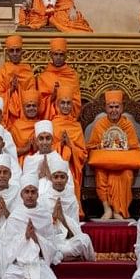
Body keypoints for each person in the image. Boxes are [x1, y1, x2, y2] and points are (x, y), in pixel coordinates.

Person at [86, 90, 140, 219]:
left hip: (122, 163)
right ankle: (107, 209)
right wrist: (102, 145)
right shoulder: (100, 124)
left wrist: (124, 146)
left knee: (127, 175)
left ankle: (119, 210)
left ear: (122, 108)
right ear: (106, 108)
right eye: (111, 107)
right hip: (104, 162)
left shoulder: (127, 125)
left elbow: (135, 147)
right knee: (100, 173)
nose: (114, 110)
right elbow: (91, 145)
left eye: (116, 107)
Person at [1, 175, 60, 279]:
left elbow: (52, 245)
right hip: (19, 264)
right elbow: (7, 246)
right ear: (21, 195)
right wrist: (25, 237)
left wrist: (36, 238)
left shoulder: (44, 215)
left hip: (38, 262)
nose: (30, 195)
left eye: (33, 192)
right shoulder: (15, 216)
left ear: (38, 194)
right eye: (26, 192)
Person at [40, 157, 95, 262]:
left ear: (67, 179)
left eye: (62, 177)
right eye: (56, 177)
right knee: (45, 247)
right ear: (51, 178)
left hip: (68, 242)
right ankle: (68, 256)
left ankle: (61, 256)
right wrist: (53, 219)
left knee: (84, 239)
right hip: (52, 242)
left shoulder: (71, 199)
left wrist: (63, 219)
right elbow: (41, 229)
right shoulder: (43, 199)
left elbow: (75, 230)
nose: (59, 180)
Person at [51, 86, 88, 215]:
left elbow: (83, 154)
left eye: (68, 103)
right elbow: (47, 149)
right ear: (57, 104)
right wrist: (60, 144)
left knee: (71, 178)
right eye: (63, 103)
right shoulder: (52, 124)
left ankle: (73, 213)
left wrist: (70, 145)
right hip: (54, 166)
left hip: (72, 166)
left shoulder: (76, 126)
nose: (66, 106)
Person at [22, 120, 74, 197]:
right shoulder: (29, 160)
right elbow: (23, 188)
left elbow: (69, 188)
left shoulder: (59, 160)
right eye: (41, 139)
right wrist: (39, 176)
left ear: (52, 140)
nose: (45, 142)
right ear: (36, 141)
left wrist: (51, 177)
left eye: (48, 138)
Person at [0, 34, 35, 129]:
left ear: (22, 52)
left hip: (24, 116)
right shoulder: (1, 73)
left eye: (17, 50)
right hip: (7, 117)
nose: (15, 53)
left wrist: (19, 89)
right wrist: (10, 90)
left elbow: (32, 97)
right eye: (12, 51)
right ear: (7, 53)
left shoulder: (28, 72)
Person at [37, 37, 82, 120]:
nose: (58, 57)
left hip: (68, 120)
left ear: (66, 56)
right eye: (56, 54)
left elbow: (76, 103)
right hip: (50, 121)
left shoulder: (72, 76)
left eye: (61, 54)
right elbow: (40, 105)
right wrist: (53, 96)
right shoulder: (43, 77)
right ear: (51, 55)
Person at [9, 89, 41, 165]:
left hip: (40, 163)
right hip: (20, 165)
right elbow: (9, 151)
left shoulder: (42, 125)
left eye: (34, 105)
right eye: (28, 106)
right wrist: (25, 149)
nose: (31, 108)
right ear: (23, 108)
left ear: (38, 107)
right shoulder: (16, 126)